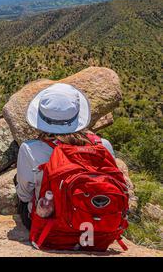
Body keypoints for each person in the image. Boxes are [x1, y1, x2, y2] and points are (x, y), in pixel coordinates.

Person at [14, 83, 116, 230]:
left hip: (52, 227)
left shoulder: (30, 150)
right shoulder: (103, 146)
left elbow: (24, 195)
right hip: (97, 225)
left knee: (19, 181)